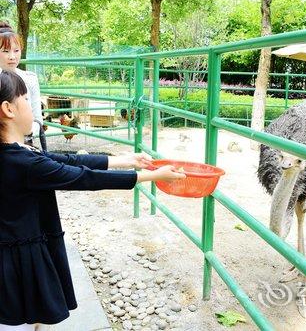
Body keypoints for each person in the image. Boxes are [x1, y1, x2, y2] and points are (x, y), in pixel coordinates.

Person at [0, 70, 186, 331]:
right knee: (16, 318)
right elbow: (83, 178)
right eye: (26, 99)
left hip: (15, 246)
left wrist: (124, 160)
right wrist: (151, 175)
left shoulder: (20, 153)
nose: (35, 107)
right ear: (8, 109)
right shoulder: (25, 164)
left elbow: (69, 161)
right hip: (18, 258)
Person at [0, 21, 43, 144]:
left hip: (25, 142)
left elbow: (37, 118)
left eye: (16, 50)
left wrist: (24, 135)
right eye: (6, 51)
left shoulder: (30, 79)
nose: (12, 56)